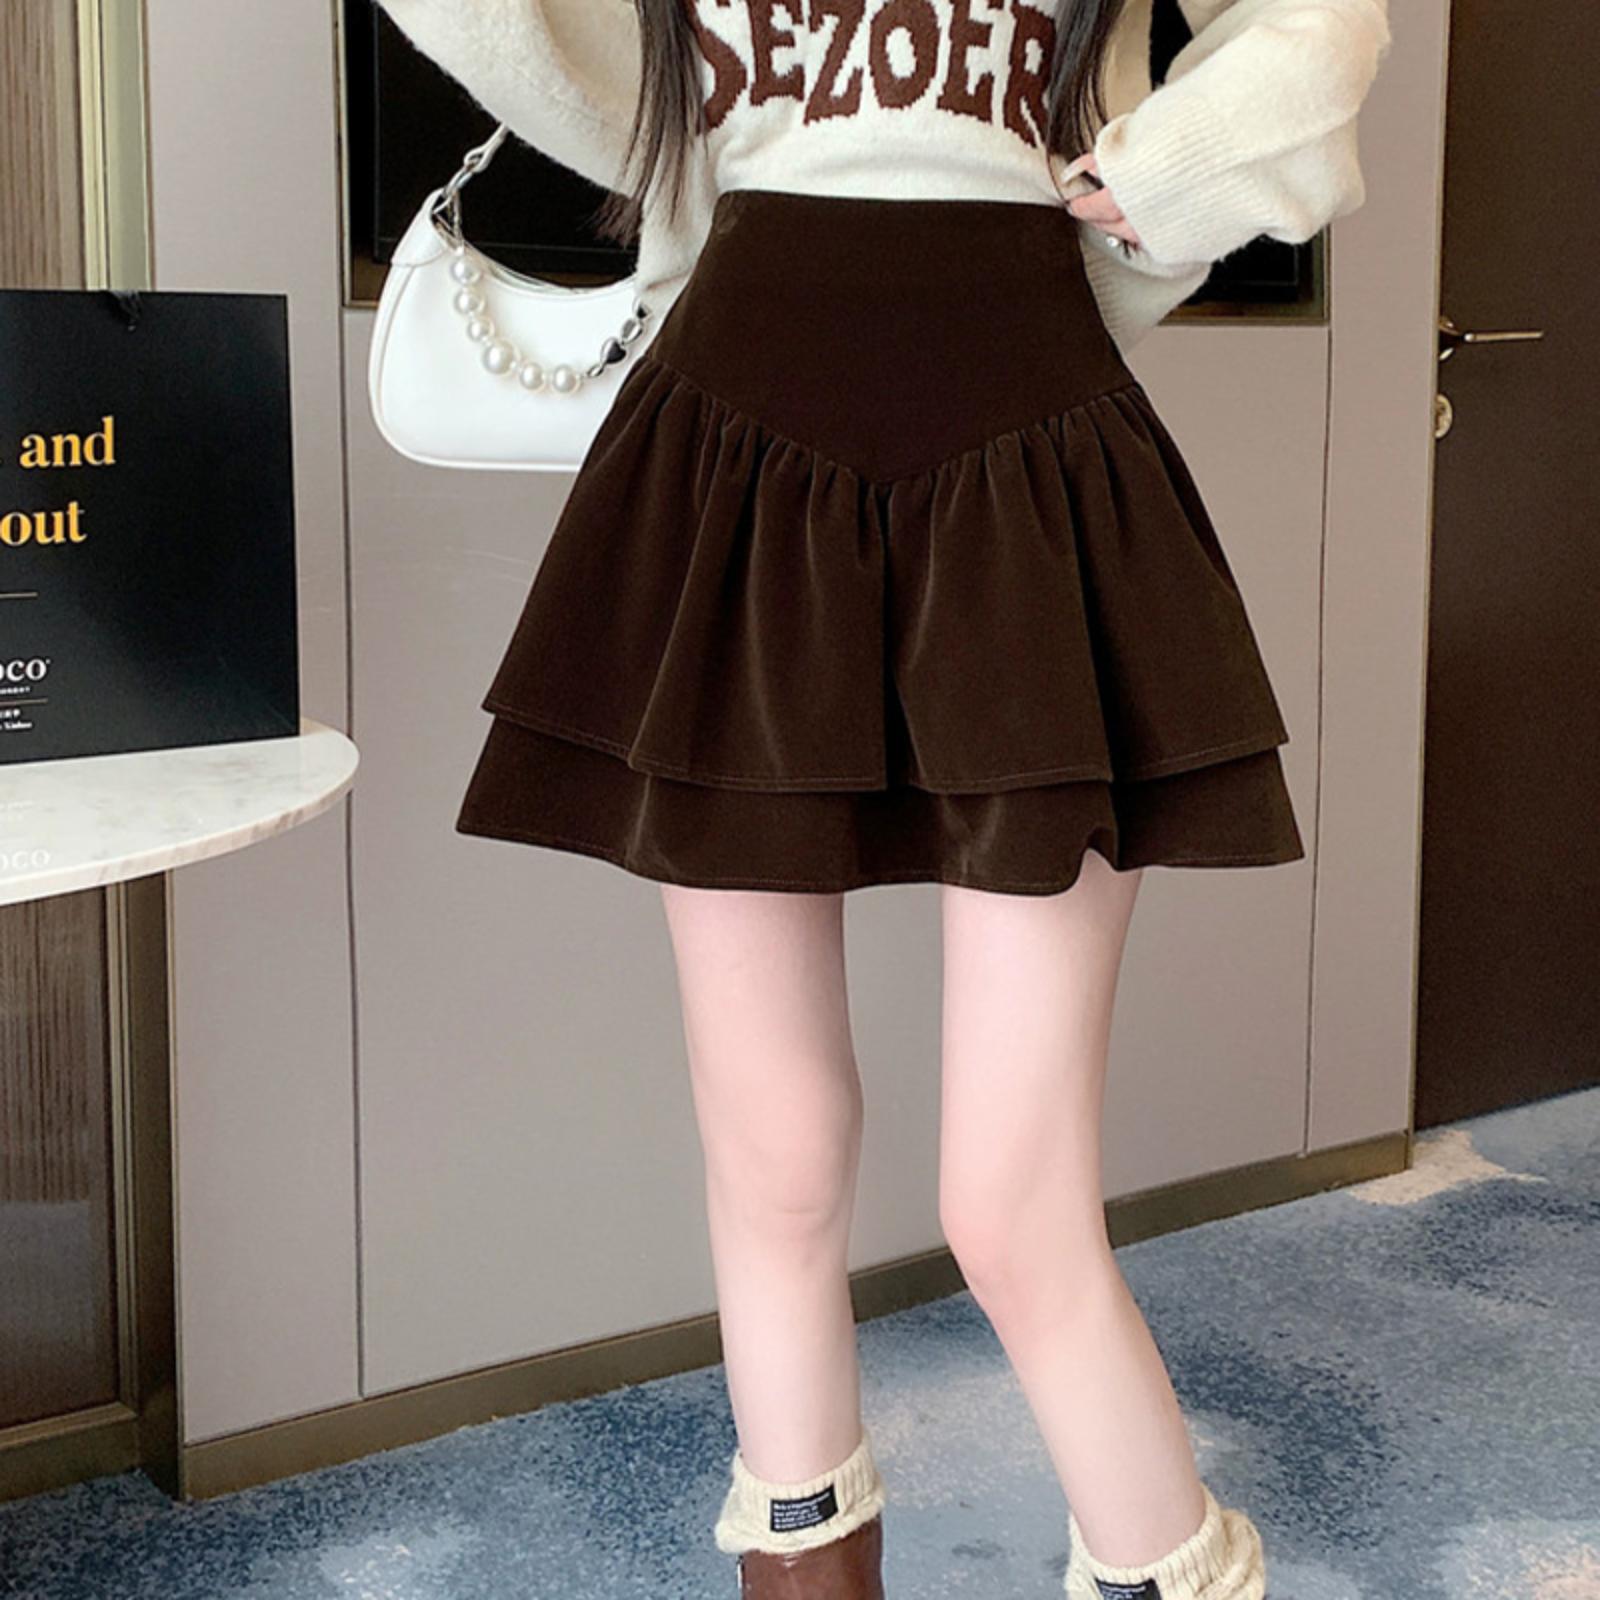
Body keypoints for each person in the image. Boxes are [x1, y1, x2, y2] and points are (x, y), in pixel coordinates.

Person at [375, 2, 1393, 1595]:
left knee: (1012, 1204)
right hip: (736, 465)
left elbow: (1322, 21)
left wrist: (1184, 161)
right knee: (773, 1156)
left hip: (1035, 470)